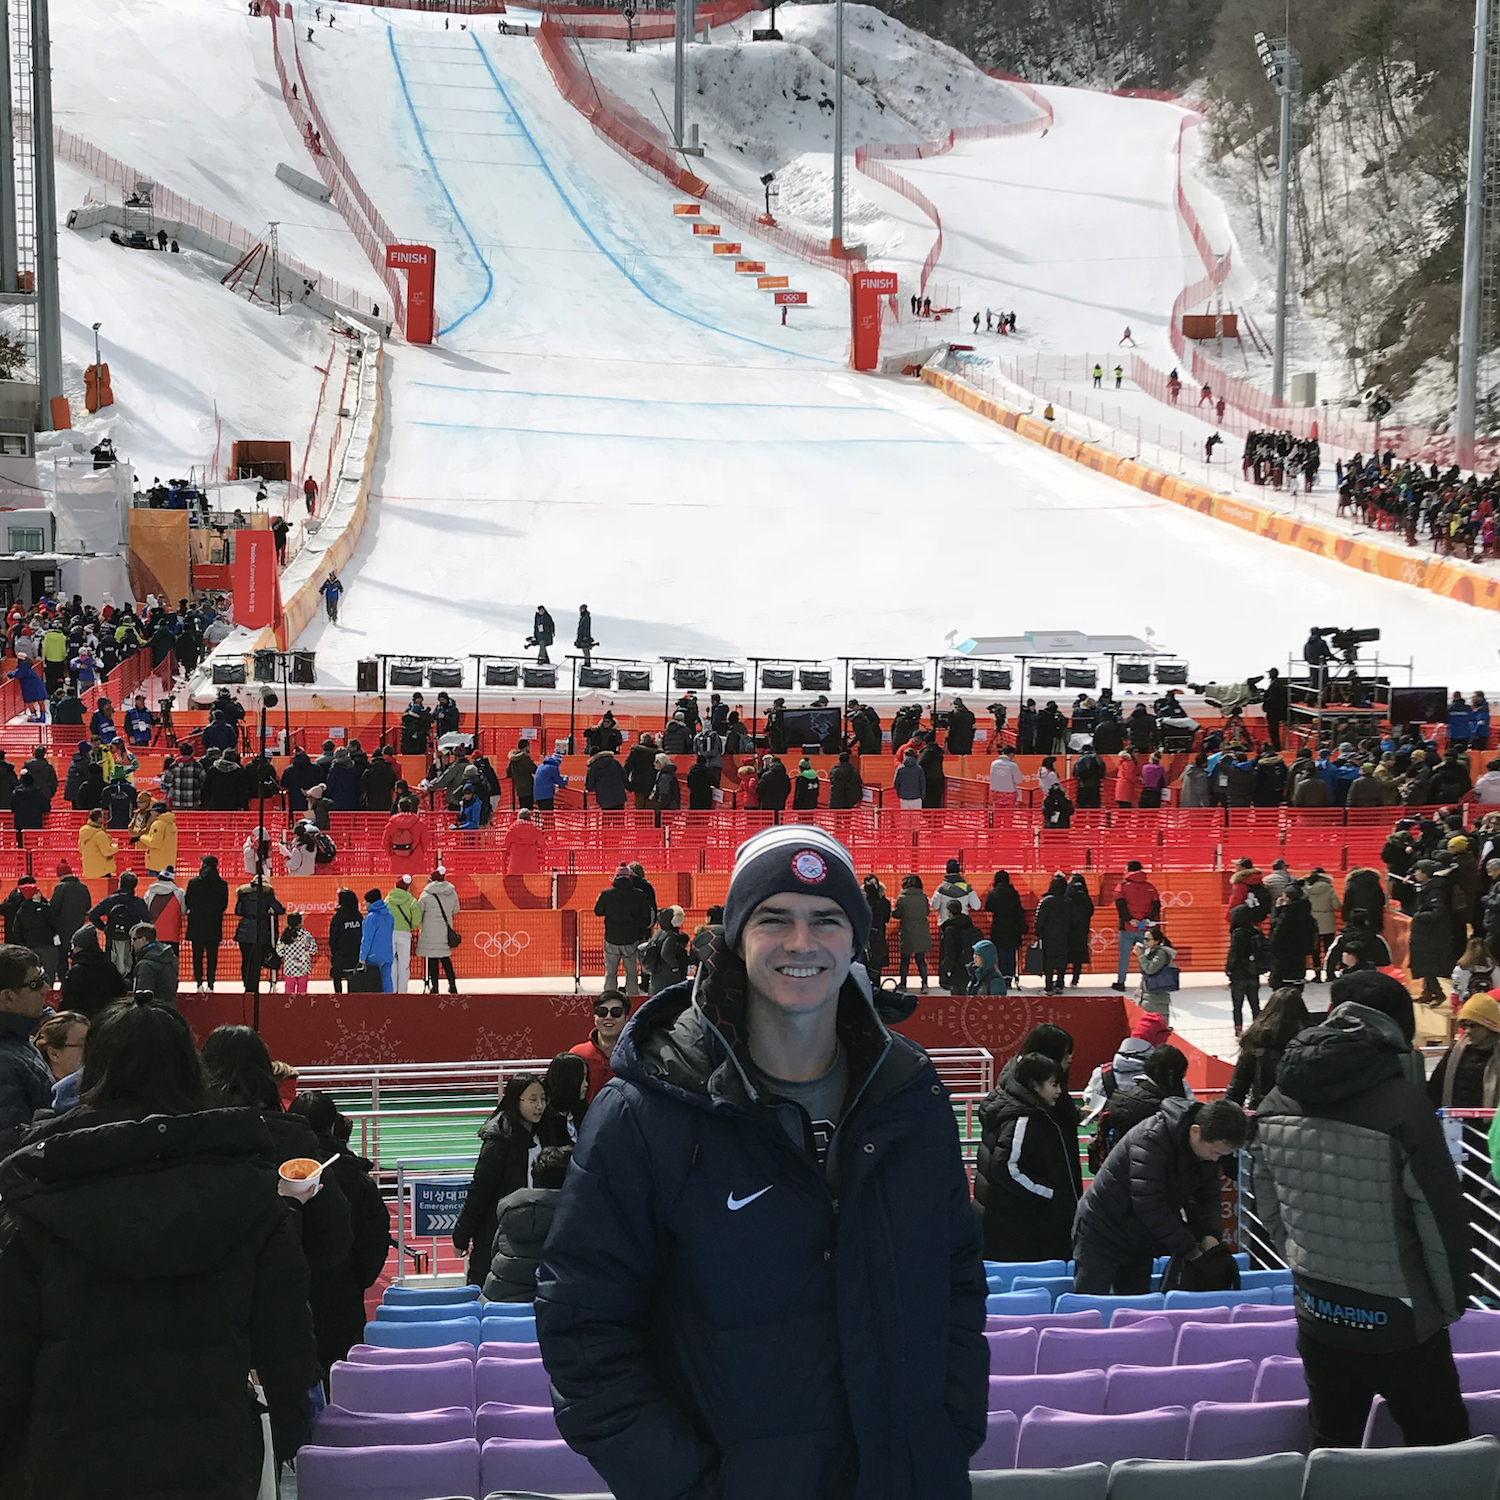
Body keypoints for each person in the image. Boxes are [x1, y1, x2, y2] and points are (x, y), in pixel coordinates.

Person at [535, 823, 987, 1496]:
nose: (802, 943)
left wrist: (946, 1431)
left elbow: (955, 1280)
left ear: (857, 940)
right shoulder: (647, 1113)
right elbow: (583, 1330)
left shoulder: (911, 1100)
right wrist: (690, 1486)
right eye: (774, 919)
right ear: (735, 939)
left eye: (826, 920)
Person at [0, 998, 321, 1497]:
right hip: (212, 1454)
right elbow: (289, 1351)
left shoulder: (41, 1191)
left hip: (70, 1457)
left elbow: (11, 1357)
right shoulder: (250, 1189)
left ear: (94, 1069)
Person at [1249, 970, 1470, 1448]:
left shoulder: (1274, 1101)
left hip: (1317, 1309)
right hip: (1403, 1323)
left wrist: (1301, 1258)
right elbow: (1439, 1220)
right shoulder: (1404, 1109)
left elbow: (1268, 1202)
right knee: (1444, 1452)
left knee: (1333, 1452)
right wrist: (1449, 1306)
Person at [1072, 1096, 1248, 1295]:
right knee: (1091, 1305)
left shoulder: (1205, 1148)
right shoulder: (1150, 1139)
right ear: (1195, 1131)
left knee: (1135, 1310)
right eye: (1215, 1152)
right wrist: (1191, 1248)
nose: (1215, 1159)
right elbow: (1148, 1203)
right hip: (1101, 1230)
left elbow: (1209, 1195)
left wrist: (1211, 1234)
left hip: (1140, 1238)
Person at [285, 1089, 393, 1373]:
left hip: (286, 1294)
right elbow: (375, 1234)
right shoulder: (354, 1176)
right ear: (333, 1125)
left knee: (292, 1384)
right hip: (341, 1293)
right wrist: (357, 1279)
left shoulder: (272, 1169)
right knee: (343, 1380)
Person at [975, 1051, 1079, 1261]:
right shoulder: (1022, 1120)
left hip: (1009, 1220)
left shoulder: (1020, 1109)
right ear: (1034, 1084)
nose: (1059, 1091)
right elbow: (1007, 1168)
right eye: (1053, 1084)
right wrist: (1050, 1193)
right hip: (1015, 1225)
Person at [453, 1072, 547, 1285]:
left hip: (532, 1233)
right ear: (516, 1100)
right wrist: (462, 1235)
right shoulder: (498, 1142)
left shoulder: (544, 1133)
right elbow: (479, 1192)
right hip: (496, 1234)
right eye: (532, 1100)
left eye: (542, 1099)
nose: (539, 1105)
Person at [1093, 1044, 1192, 1163]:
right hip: (1153, 1168)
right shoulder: (1164, 1110)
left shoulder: (1123, 1098)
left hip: (1120, 1167)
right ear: (1171, 1075)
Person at [1225, 985, 1313, 1109]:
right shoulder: (1310, 1042)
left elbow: (1237, 1089)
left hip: (1263, 1110)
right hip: (1300, 1112)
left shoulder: (1255, 1040)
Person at [0, 944, 52, 1154]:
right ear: (8, 997)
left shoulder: (17, 1039)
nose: (46, 988)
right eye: (35, 984)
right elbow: (10, 1150)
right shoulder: (4, 1063)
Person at [595, 863, 653, 996]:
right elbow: (645, 916)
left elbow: (598, 911)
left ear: (616, 877)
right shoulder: (638, 894)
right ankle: (632, 998)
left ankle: (609, 997)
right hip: (630, 938)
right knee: (631, 972)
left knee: (611, 972)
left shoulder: (607, 893)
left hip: (611, 938)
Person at [570, 990, 632, 1104]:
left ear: (627, 1018)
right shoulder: (577, 1054)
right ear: (594, 1018)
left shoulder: (636, 1054)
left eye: (616, 1012)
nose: (608, 1017)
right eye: (602, 1012)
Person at [1111, 860, 1160, 991]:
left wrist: (1129, 919)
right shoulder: (1150, 887)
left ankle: (1121, 983)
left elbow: (1120, 905)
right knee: (1146, 955)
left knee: (1124, 957)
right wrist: (1147, 919)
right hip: (1145, 928)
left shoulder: (1122, 886)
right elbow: (1156, 905)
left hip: (1127, 927)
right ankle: (1147, 982)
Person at [184, 854, 229, 993]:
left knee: (197, 955)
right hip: (214, 925)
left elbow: (188, 902)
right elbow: (224, 905)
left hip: (196, 924)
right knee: (212, 956)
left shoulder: (193, 883)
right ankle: (211, 984)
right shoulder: (222, 884)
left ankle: (198, 984)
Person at [418, 869, 460, 994]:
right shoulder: (451, 893)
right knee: (446, 960)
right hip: (444, 932)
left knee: (433, 960)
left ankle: (434, 987)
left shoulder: (426, 894)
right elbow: (456, 910)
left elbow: (419, 912)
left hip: (430, 933)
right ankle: (452, 985)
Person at [983, 870, 1025, 981]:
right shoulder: (1013, 892)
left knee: (1001, 952)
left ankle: (1002, 975)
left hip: (998, 926)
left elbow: (988, 906)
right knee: (1011, 952)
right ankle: (1010, 975)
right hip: (1013, 926)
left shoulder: (993, 893)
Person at [894, 872, 932, 991]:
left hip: (907, 931)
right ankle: (925, 984)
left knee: (905, 960)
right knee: (920, 959)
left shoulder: (902, 898)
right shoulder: (923, 897)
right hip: (921, 930)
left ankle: (903, 984)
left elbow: (897, 914)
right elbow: (927, 912)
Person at [642, 906, 690, 995]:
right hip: (668, 974)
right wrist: (675, 966)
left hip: (657, 972)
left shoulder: (658, 933)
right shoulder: (671, 936)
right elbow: (666, 953)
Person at [385, 875, 420, 993]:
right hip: (404, 934)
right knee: (404, 964)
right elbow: (416, 920)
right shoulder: (412, 901)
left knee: (392, 963)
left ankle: (393, 990)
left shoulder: (388, 899)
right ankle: (402, 991)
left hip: (390, 933)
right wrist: (410, 926)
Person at [129, 921, 178, 1005]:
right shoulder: (171, 957)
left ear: (143, 939)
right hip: (169, 1009)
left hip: (151, 1014)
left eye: (134, 939)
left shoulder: (146, 965)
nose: (132, 943)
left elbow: (143, 999)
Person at [357, 887, 395, 992]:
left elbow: (367, 939)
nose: (364, 903)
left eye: (366, 901)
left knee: (374, 985)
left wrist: (362, 958)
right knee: (387, 982)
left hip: (373, 956)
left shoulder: (371, 917)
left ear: (371, 902)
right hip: (387, 954)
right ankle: (389, 1004)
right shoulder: (389, 916)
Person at [328, 889, 364, 993]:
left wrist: (334, 949)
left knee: (337, 975)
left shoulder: (338, 917)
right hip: (356, 954)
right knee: (353, 977)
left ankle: (338, 996)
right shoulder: (358, 916)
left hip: (340, 955)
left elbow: (333, 937)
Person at [275, 912, 318, 994]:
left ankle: (289, 1005)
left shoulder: (285, 936)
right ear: (300, 922)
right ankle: (301, 1005)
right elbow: (314, 950)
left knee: (289, 991)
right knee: (302, 992)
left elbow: (279, 952)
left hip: (289, 968)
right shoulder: (306, 936)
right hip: (303, 968)